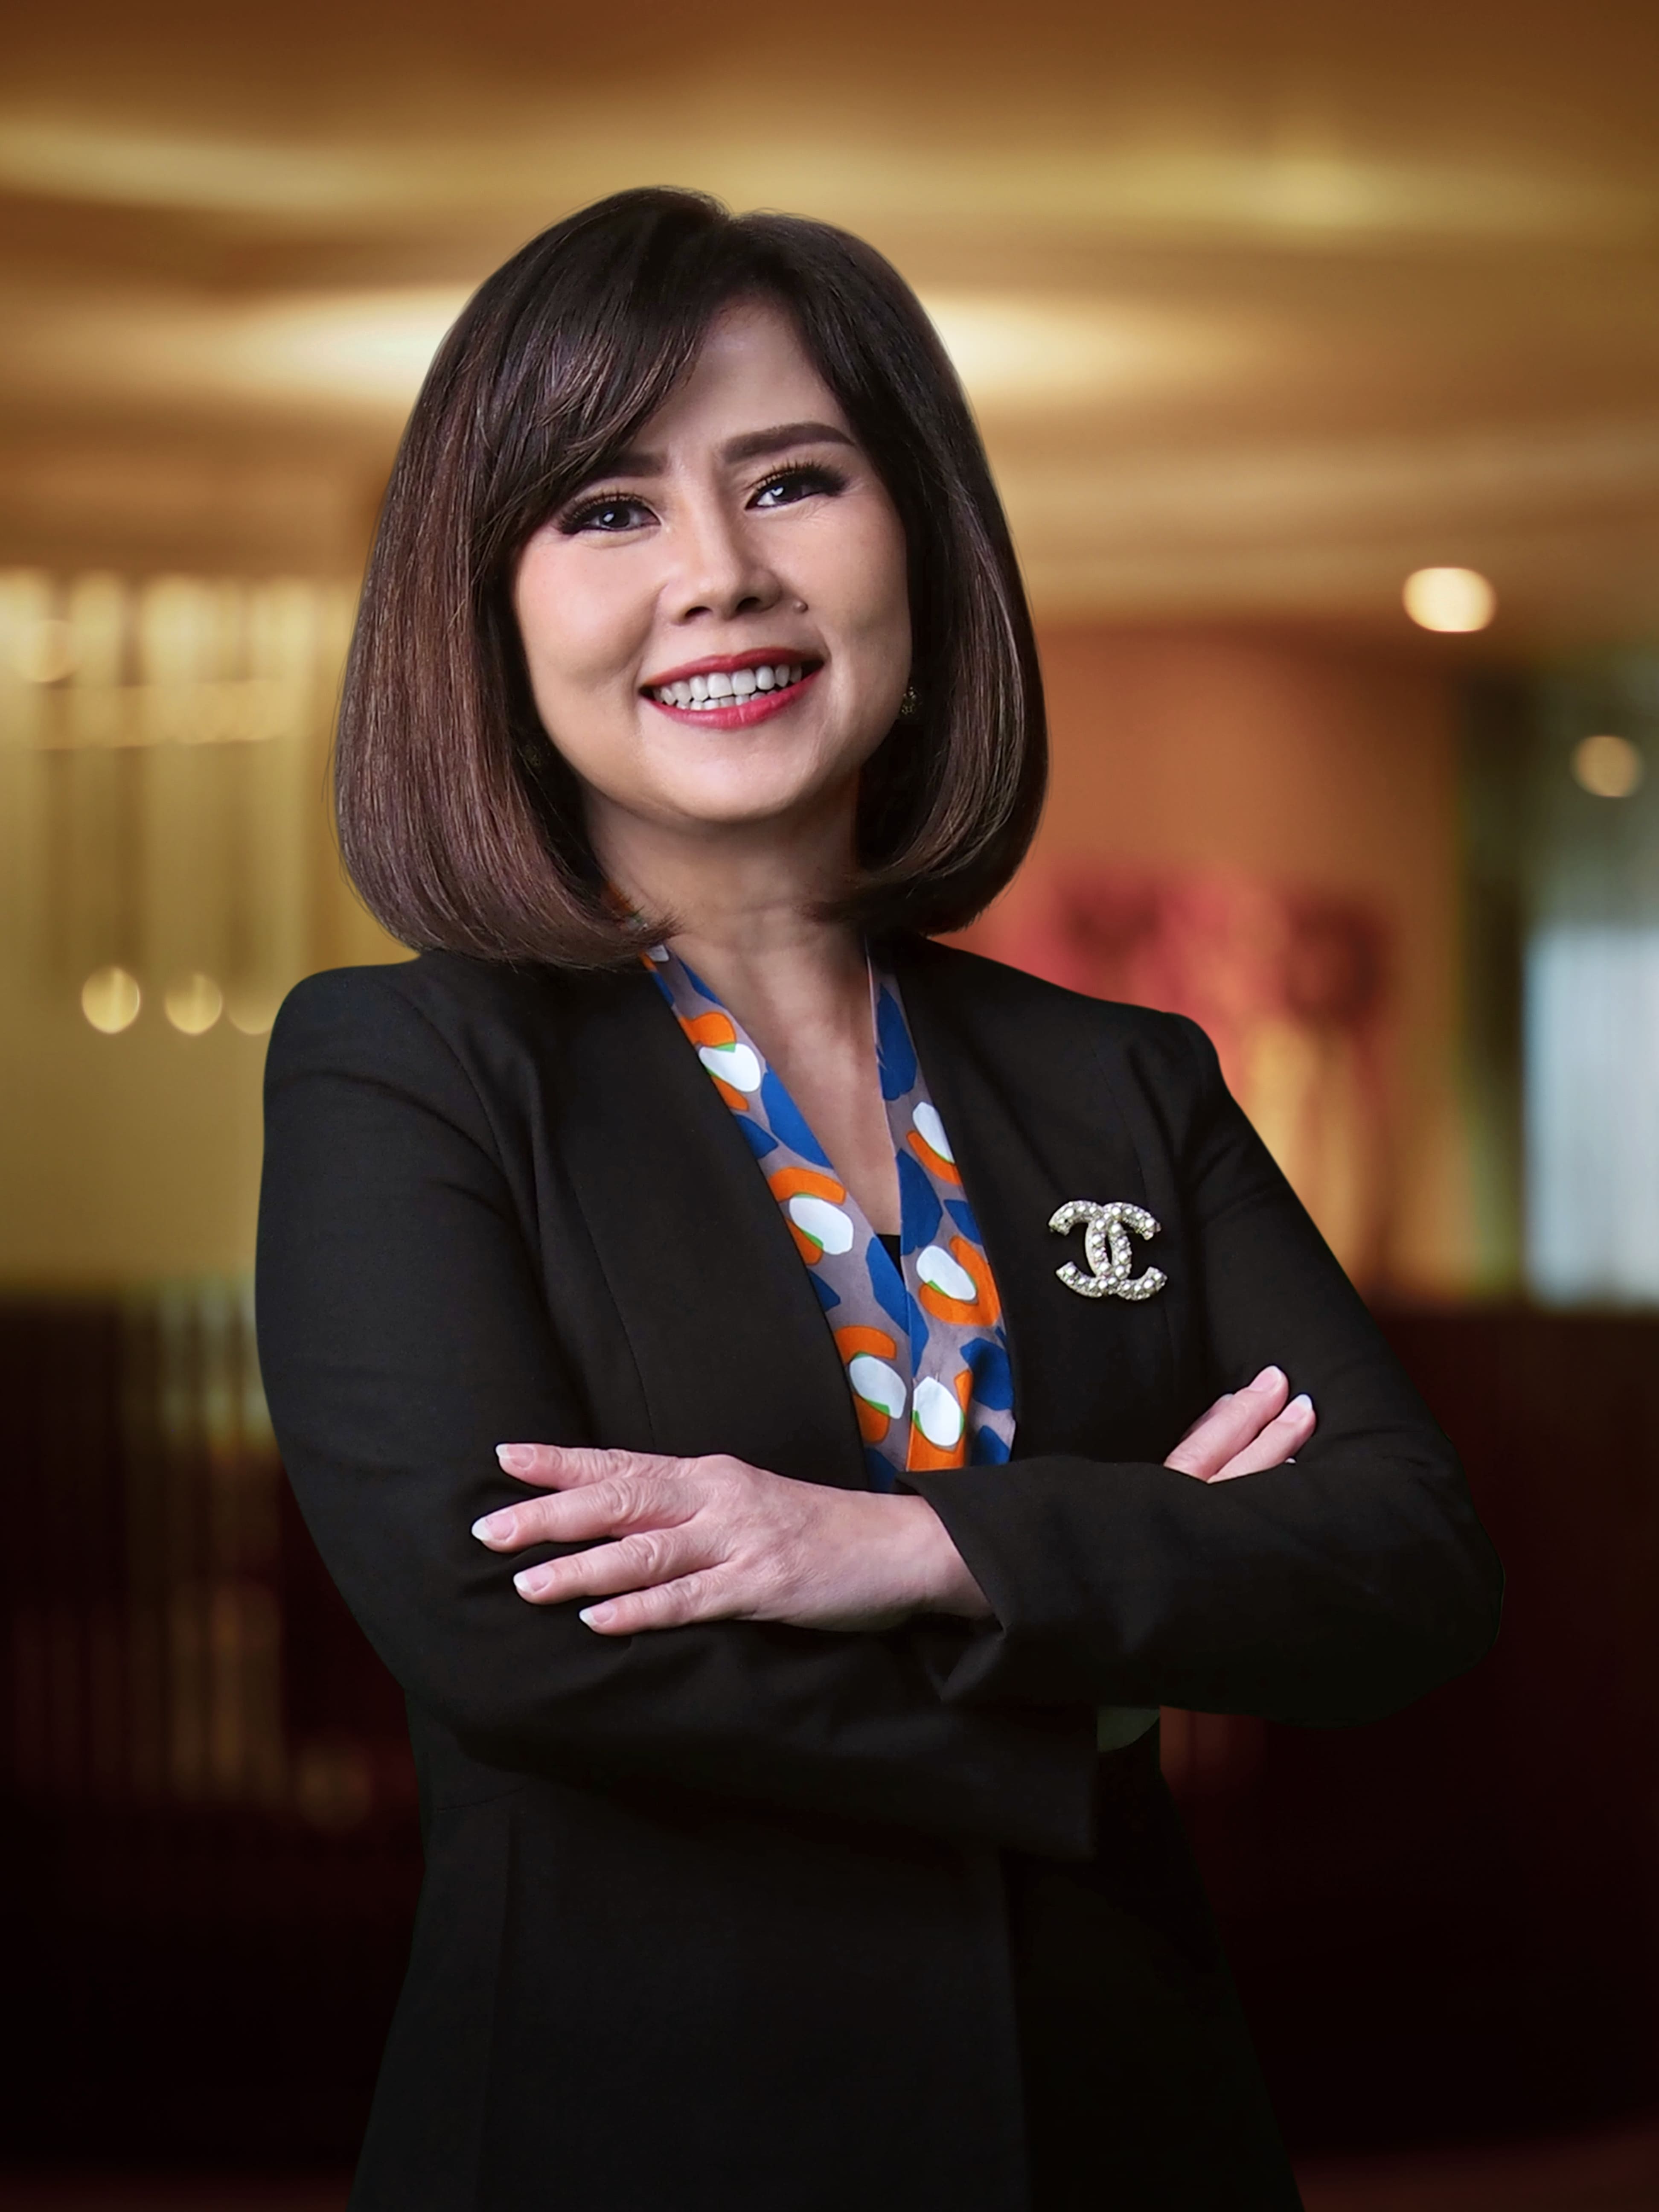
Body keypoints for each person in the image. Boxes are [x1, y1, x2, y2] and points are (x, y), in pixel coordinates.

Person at [255, 187, 1502, 2212]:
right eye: (608, 510)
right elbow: (511, 1635)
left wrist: (908, 1548)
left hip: (1125, 2126)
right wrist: (1097, 1662)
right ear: (488, 614)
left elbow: (1406, 1565)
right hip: (629, 2139)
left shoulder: (1126, 1080)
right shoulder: (408, 1068)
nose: (721, 575)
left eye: (794, 482)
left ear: (920, 536)